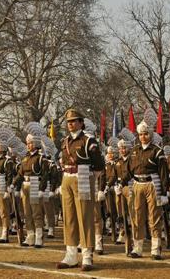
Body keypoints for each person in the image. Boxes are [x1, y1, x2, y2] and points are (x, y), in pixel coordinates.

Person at [56, 109, 104, 272]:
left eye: (74, 121)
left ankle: (87, 255)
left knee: (85, 216)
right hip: (67, 178)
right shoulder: (65, 141)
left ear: (81, 123)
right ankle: (70, 255)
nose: (71, 124)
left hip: (83, 176)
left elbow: (98, 164)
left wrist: (90, 179)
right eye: (69, 122)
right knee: (68, 217)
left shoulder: (89, 140)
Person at [125, 109, 168, 260]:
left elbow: (164, 173)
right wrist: (122, 182)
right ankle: (137, 248)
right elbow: (129, 170)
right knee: (137, 216)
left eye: (146, 134)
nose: (143, 137)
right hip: (137, 184)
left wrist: (164, 192)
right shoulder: (134, 150)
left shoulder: (157, 151)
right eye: (141, 134)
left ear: (151, 134)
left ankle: (156, 249)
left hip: (152, 184)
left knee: (154, 217)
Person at [13, 122, 49, 248]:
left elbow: (45, 175)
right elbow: (20, 174)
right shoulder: (25, 158)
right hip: (25, 185)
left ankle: (39, 236)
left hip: (35, 184)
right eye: (28, 143)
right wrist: (13, 184)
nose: (29, 145)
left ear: (37, 144)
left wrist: (41, 188)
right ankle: (30, 236)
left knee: (36, 212)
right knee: (27, 212)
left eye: (31, 143)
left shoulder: (41, 158)